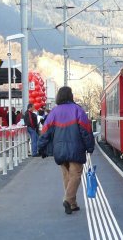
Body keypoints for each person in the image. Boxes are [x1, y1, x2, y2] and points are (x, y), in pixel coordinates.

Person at [37, 86, 95, 215]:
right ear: (71, 96)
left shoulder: (54, 112)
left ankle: (73, 204)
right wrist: (90, 146)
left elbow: (45, 132)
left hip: (59, 150)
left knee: (67, 176)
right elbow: (86, 131)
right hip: (76, 148)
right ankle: (68, 200)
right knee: (75, 175)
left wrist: (40, 148)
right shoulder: (78, 110)